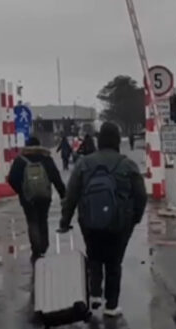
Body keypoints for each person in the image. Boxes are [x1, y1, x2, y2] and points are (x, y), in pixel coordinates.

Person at [60, 122, 146, 317]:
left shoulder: (84, 163)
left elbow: (71, 194)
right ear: (117, 140)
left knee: (95, 257)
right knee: (114, 262)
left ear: (100, 140)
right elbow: (141, 195)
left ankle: (95, 295)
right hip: (120, 223)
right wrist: (135, 218)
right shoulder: (127, 164)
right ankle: (111, 306)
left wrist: (65, 222)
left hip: (89, 221)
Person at [7, 138, 66, 264]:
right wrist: (63, 194)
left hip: (27, 198)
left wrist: (22, 191)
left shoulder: (20, 160)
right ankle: (44, 246)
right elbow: (56, 177)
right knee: (43, 219)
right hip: (44, 196)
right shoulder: (46, 159)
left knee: (32, 221)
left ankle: (36, 249)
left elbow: (11, 179)